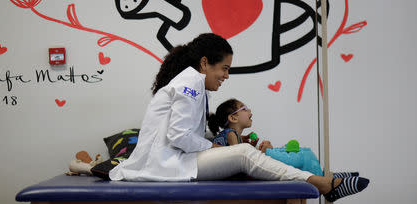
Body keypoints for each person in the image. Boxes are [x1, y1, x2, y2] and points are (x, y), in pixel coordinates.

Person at [109, 33, 369, 202]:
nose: (226, 76)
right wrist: (212, 146)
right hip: (164, 167)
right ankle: (324, 183)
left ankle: (325, 178)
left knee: (246, 153)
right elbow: (178, 137)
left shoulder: (192, 83)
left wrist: (211, 146)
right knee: (244, 154)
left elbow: (182, 135)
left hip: (173, 162)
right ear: (204, 63)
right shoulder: (191, 81)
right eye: (224, 68)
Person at [209, 98, 359, 178]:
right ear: (233, 118)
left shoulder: (235, 135)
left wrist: (251, 145)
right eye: (244, 108)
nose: (250, 111)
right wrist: (259, 152)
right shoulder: (230, 134)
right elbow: (237, 158)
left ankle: (327, 176)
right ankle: (324, 177)